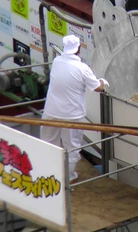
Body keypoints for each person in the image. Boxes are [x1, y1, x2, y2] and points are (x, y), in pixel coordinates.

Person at [41, 35, 108, 182]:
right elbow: (97, 88)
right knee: (72, 147)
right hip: (72, 115)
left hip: (51, 111)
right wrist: (103, 81)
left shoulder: (57, 61)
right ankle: (68, 177)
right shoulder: (82, 68)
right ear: (78, 49)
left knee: (48, 141)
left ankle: (48, 172)